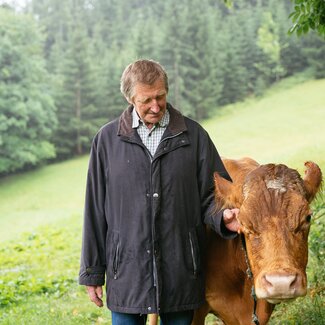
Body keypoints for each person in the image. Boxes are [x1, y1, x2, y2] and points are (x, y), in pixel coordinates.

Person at [79, 59, 240, 325]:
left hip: (180, 270)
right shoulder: (106, 141)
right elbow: (95, 210)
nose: (156, 106)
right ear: (130, 98)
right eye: (146, 100)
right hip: (126, 273)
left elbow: (215, 195)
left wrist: (223, 217)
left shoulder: (195, 136)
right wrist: (92, 273)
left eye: (160, 97)